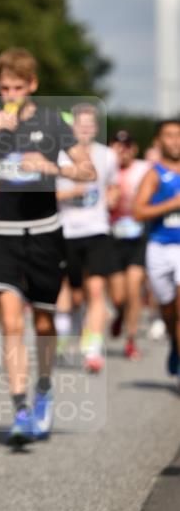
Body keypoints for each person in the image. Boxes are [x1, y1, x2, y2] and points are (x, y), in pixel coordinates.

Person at [0, 49, 95, 444]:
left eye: (17, 87)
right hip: (4, 233)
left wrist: (53, 167)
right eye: (3, 88)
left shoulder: (53, 121)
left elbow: (88, 170)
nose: (10, 94)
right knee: (12, 322)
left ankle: (44, 389)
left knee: (44, 322)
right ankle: (19, 408)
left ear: (32, 85)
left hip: (45, 233)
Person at [55, 104, 118, 373]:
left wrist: (112, 197)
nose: (85, 129)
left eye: (90, 125)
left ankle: (92, 350)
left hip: (97, 229)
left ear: (96, 128)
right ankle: (64, 334)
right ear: (72, 128)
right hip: (66, 229)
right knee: (69, 291)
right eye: (80, 124)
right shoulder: (59, 157)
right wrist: (73, 192)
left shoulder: (107, 156)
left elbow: (112, 186)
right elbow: (48, 197)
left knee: (95, 289)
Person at [133, 118, 180, 382]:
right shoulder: (154, 174)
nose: (175, 141)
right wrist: (172, 204)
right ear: (158, 141)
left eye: (179, 135)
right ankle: (174, 342)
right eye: (170, 136)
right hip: (160, 246)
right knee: (168, 308)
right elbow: (138, 212)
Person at [107, 130, 150, 359]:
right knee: (118, 296)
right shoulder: (104, 168)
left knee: (134, 287)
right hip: (112, 237)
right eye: (117, 146)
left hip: (139, 236)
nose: (122, 151)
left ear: (134, 148)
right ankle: (120, 314)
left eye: (127, 146)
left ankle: (131, 339)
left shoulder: (144, 170)